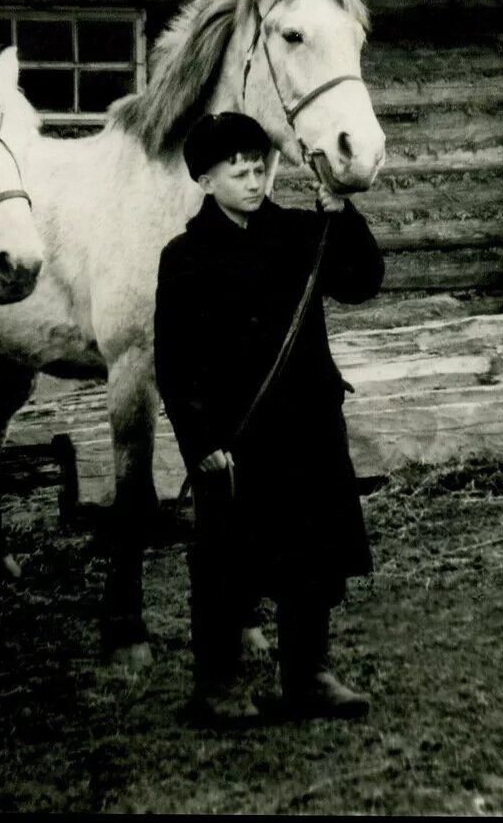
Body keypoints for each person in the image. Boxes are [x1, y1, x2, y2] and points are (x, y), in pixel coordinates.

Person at [153, 112, 384, 725]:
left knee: (313, 554)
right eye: (239, 172)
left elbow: (364, 282)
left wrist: (341, 214)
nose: (255, 181)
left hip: (307, 429)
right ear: (205, 180)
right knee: (227, 561)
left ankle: (308, 674)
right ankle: (218, 682)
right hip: (235, 441)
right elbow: (174, 362)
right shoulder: (184, 256)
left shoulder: (300, 233)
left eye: (260, 168)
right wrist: (199, 440)